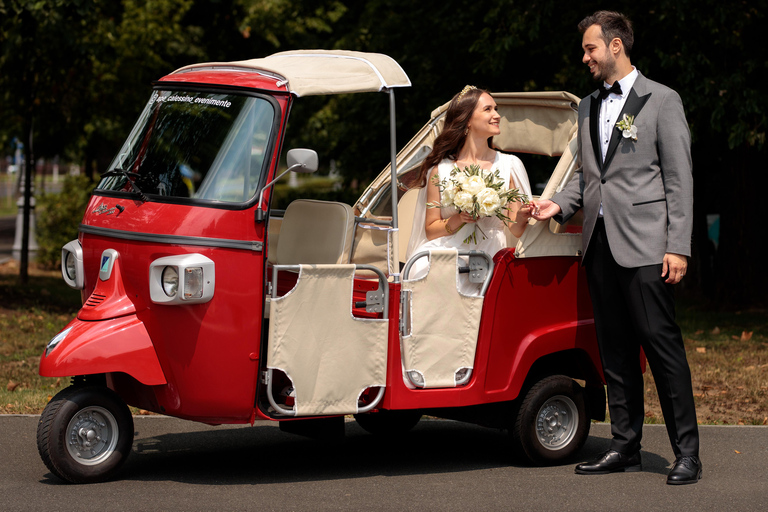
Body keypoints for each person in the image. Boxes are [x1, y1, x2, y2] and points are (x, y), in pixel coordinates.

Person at [533, 11, 701, 484]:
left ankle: (687, 453)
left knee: (664, 353)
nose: (584, 57)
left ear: (615, 47)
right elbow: (589, 178)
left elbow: (678, 179)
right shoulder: (586, 106)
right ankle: (625, 446)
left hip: (649, 247)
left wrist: (678, 247)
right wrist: (557, 207)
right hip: (599, 246)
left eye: (590, 48)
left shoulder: (662, 100)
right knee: (615, 353)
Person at [405, 86, 533, 294]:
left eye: (496, 109)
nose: (497, 115)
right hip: (449, 249)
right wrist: (459, 218)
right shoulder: (440, 170)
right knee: (421, 269)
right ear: (468, 121)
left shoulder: (509, 165)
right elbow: (430, 230)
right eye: (488, 109)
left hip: (491, 252)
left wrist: (524, 215)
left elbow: (515, 229)